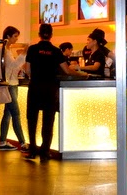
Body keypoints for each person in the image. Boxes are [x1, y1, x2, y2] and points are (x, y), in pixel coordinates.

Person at [22, 23, 79, 161]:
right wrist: (82, 74)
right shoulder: (56, 51)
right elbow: (66, 70)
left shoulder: (32, 49)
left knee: (32, 119)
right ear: (51, 35)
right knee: (48, 121)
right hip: (50, 89)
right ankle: (45, 151)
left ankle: (32, 150)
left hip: (35, 88)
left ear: (39, 34)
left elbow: (28, 70)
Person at [0, 26, 28, 151]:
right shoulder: (4, 50)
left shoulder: (6, 50)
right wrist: (24, 53)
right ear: (8, 37)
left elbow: (13, 67)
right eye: (15, 36)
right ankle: (22, 143)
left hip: (11, 84)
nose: (17, 39)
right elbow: (14, 66)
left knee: (8, 114)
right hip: (9, 85)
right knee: (16, 114)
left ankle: (2, 141)